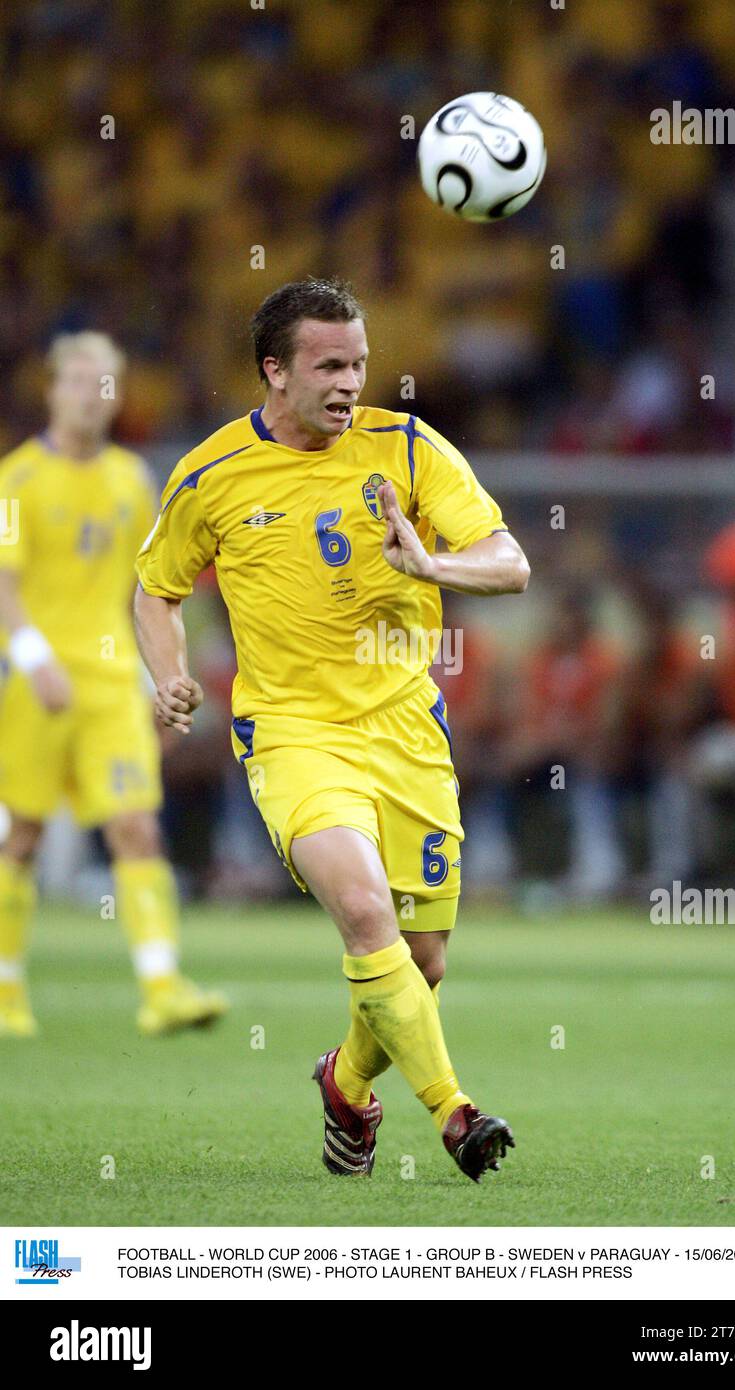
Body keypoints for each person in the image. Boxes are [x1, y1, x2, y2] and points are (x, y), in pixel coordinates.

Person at [133, 278, 530, 1182]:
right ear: (275, 370)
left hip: (406, 731)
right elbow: (154, 587)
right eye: (329, 365)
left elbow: (509, 563)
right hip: (292, 730)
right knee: (363, 912)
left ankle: (345, 1086)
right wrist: (172, 676)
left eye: (358, 362)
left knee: (419, 965)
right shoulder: (211, 475)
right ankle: (454, 1113)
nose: (351, 381)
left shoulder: (408, 446)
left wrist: (432, 563)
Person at [0, 332, 227, 1037]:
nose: (91, 397)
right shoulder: (15, 479)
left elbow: (152, 589)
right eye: (78, 382)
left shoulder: (133, 480)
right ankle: (7, 992)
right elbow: (3, 581)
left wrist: (164, 678)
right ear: (53, 389)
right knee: (23, 836)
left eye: (105, 385)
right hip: (32, 683)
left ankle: (161, 986)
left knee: (134, 826)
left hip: (111, 687)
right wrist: (34, 655)